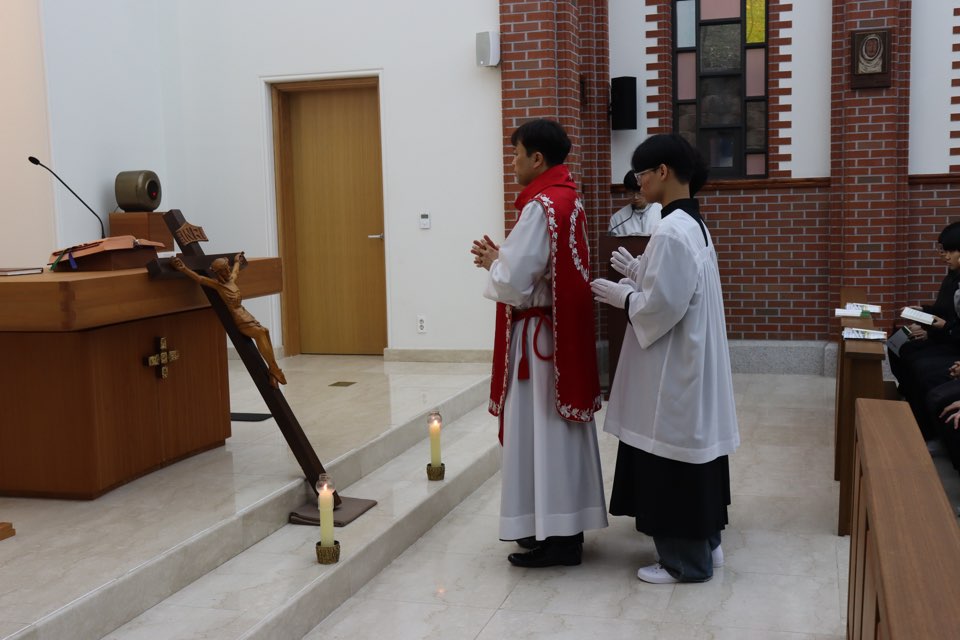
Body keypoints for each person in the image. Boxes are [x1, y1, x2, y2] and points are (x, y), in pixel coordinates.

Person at [591, 133, 739, 584]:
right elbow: (681, 287)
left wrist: (625, 295)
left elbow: (661, 307)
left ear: (662, 172)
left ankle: (684, 562)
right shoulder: (691, 223)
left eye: (641, 173)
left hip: (674, 370)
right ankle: (706, 543)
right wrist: (640, 271)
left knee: (672, 457)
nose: (637, 182)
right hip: (690, 361)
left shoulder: (671, 230)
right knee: (695, 457)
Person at [470, 118, 608, 568]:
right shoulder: (568, 199)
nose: (512, 162)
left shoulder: (540, 206)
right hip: (556, 336)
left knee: (543, 433)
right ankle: (556, 525)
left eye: (516, 154)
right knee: (556, 435)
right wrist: (503, 261)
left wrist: (494, 262)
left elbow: (515, 281)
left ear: (537, 158)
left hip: (540, 344)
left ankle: (558, 536)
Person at [170, 252, 287, 387]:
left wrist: (237, 261)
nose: (227, 272)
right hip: (239, 318)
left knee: (265, 331)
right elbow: (200, 279)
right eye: (224, 270)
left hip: (245, 314)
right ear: (218, 273)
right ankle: (275, 370)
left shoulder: (231, 279)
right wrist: (183, 268)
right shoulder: (218, 285)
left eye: (227, 269)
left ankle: (273, 370)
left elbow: (236, 270)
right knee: (260, 333)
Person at [608, 170, 662, 236]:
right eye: (631, 193)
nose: (636, 197)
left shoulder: (662, 212)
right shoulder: (617, 219)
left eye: (639, 193)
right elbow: (611, 241)